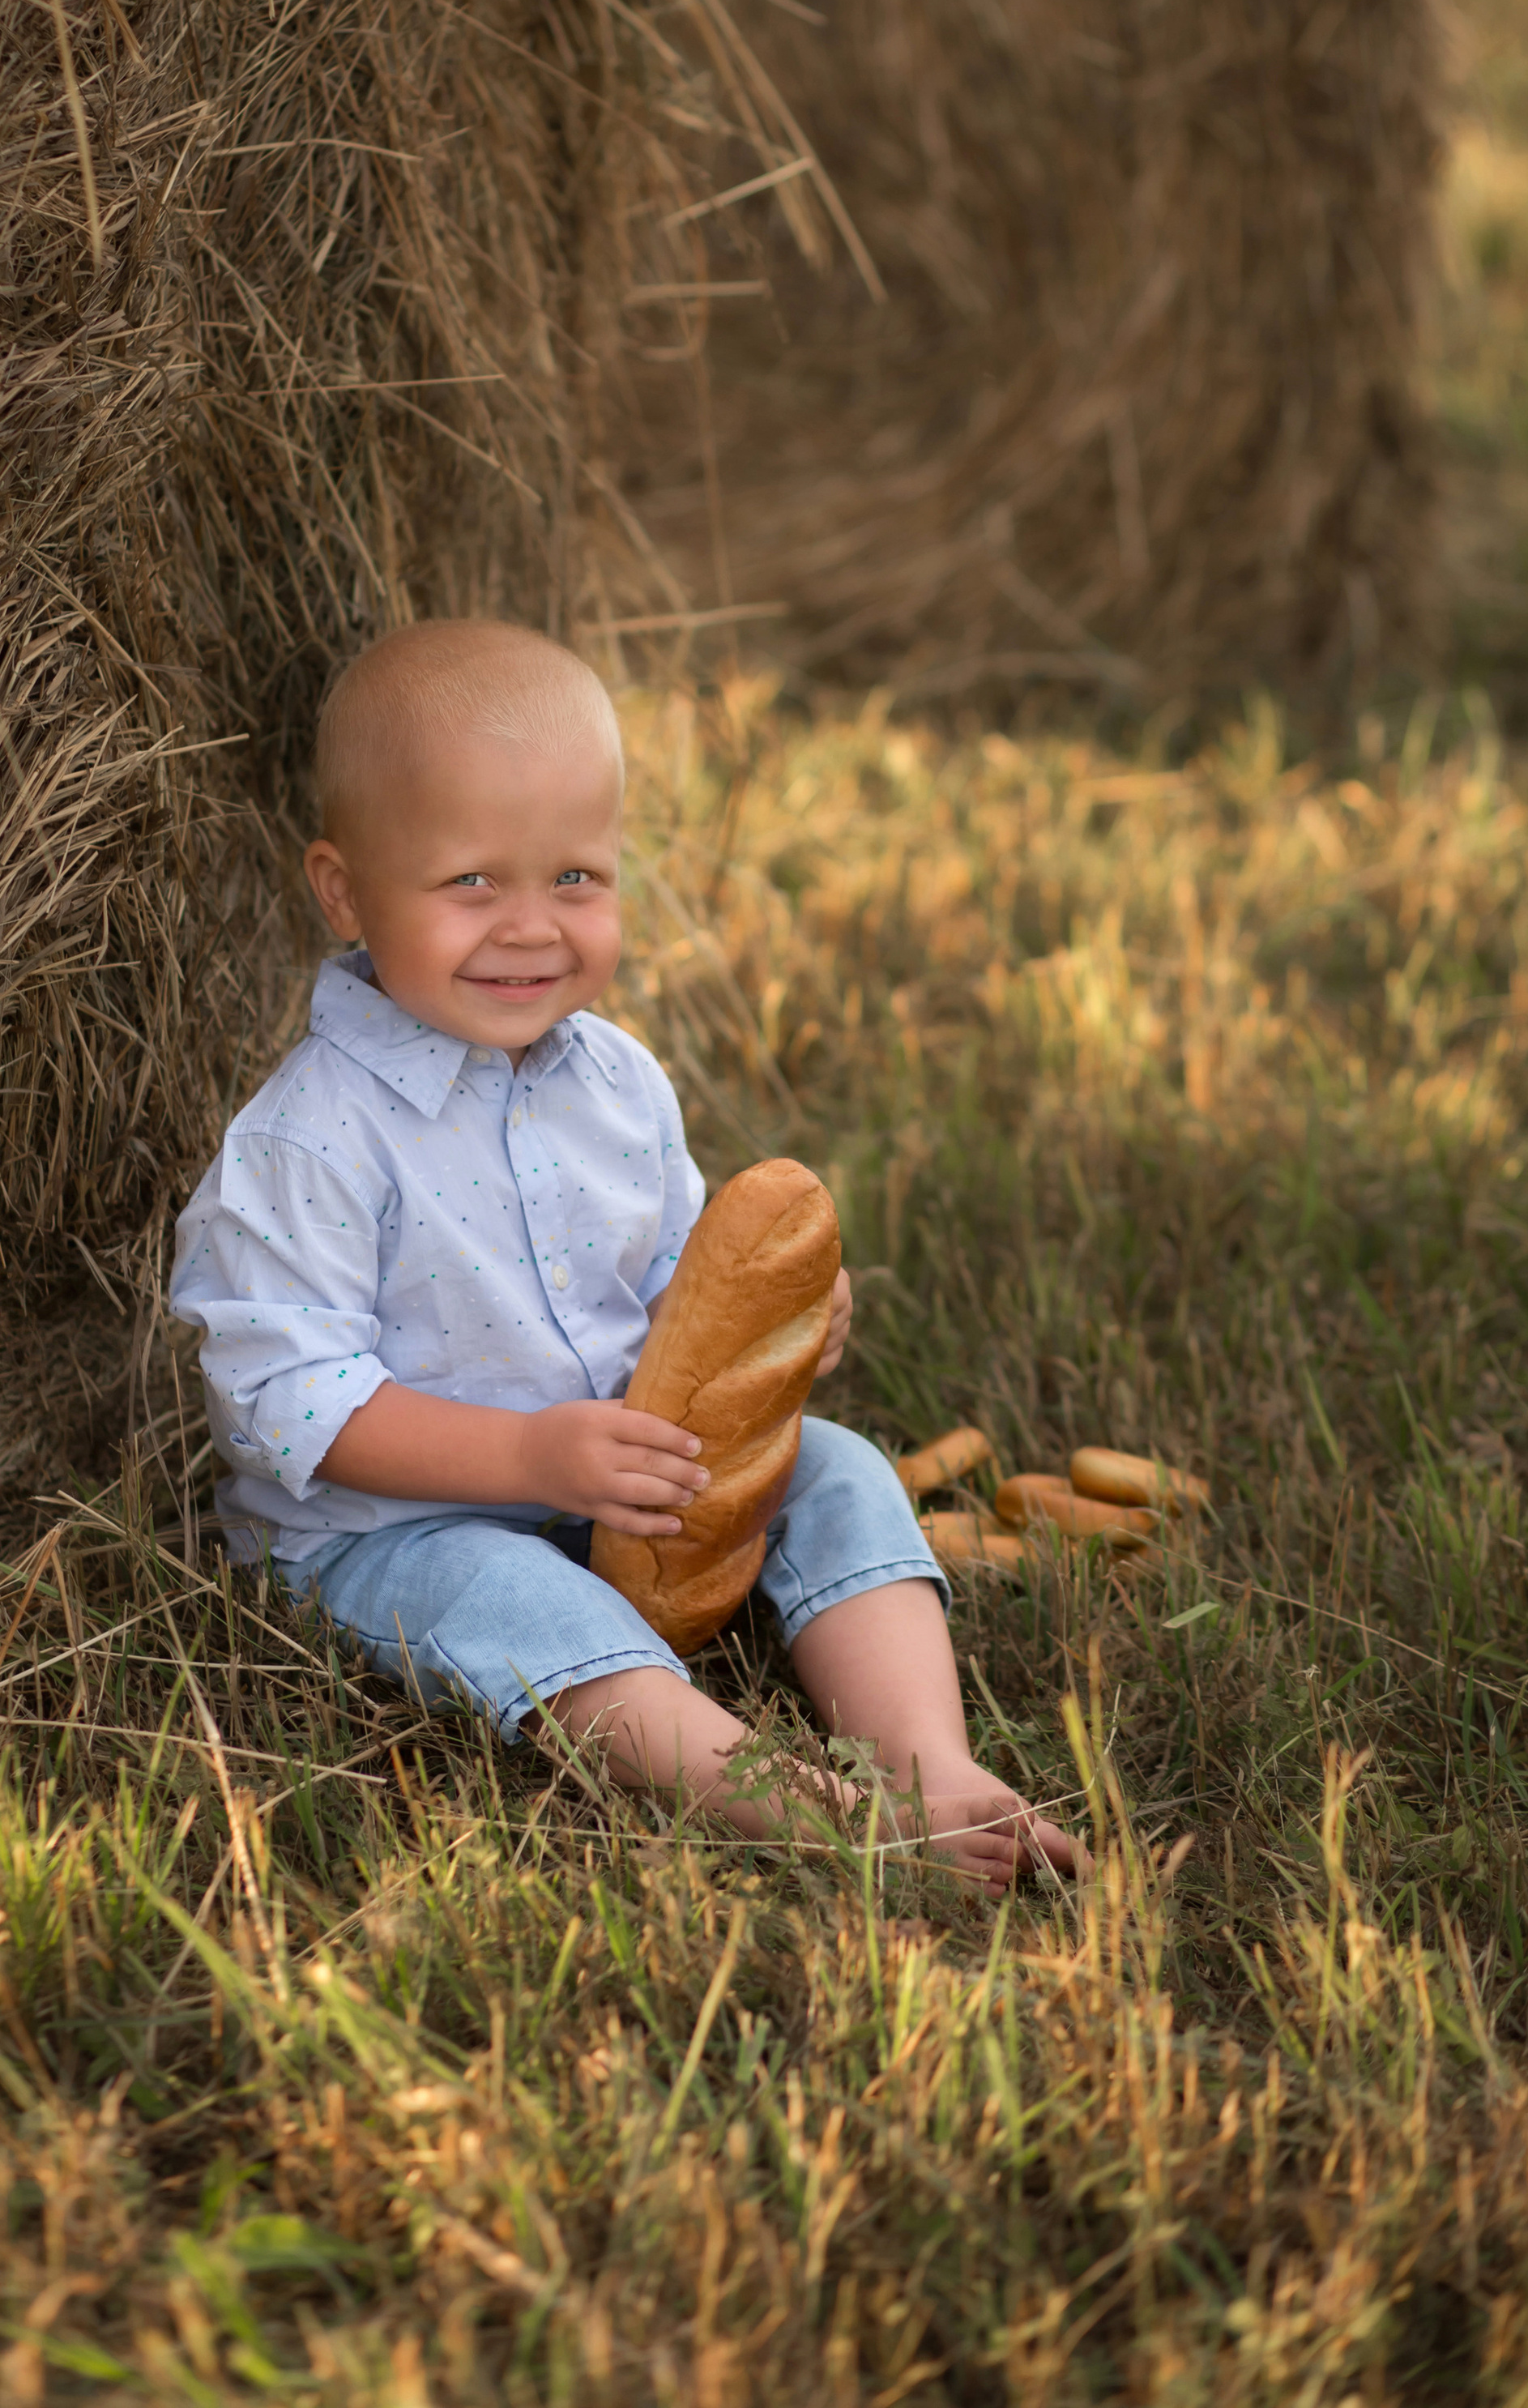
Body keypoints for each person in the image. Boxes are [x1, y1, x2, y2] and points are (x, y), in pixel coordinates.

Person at [172, 621, 1084, 1884]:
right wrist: (530, 1459)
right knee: (520, 1599)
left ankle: (933, 1763)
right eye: (471, 883)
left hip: (619, 1477)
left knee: (837, 1470)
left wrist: (783, 1327)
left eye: (576, 878)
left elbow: (674, 1294)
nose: (531, 928)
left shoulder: (620, 1082)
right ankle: (806, 1809)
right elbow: (285, 1404)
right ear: (345, 892)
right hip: (397, 1532)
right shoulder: (312, 1138)